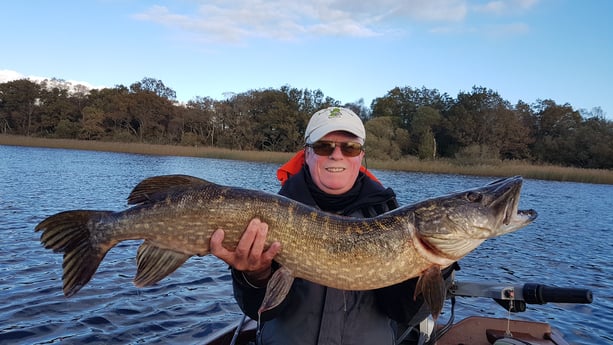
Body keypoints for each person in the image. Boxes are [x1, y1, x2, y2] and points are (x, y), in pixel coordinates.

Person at [210, 107, 454, 345]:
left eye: (350, 147)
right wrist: (255, 276)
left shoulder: (387, 216)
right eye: (323, 146)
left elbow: (405, 314)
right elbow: (260, 311)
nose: (336, 155)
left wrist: (437, 269)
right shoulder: (271, 214)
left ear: (361, 155)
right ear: (307, 154)